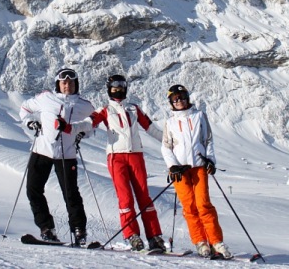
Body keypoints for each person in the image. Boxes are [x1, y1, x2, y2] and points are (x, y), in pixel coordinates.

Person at [55, 74, 167, 252]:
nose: (118, 91)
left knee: (144, 197)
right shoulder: (105, 110)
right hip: (116, 157)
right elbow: (87, 124)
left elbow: (152, 129)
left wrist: (173, 141)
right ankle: (132, 235)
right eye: (114, 88)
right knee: (125, 198)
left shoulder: (134, 109)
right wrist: (68, 127)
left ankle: (154, 236)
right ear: (109, 90)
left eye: (121, 88)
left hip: (136, 155)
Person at [19, 67, 95, 245]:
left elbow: (93, 124)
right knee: (33, 189)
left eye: (71, 82)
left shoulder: (85, 106)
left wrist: (83, 134)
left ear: (76, 84)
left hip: (66, 154)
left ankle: (79, 230)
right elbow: (24, 108)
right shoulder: (46, 98)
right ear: (58, 84)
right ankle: (47, 229)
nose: (67, 85)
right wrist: (30, 122)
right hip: (42, 150)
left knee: (70, 194)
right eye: (64, 82)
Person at [160, 84, 232, 259]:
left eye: (182, 97)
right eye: (175, 99)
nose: (179, 101)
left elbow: (208, 140)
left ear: (187, 98)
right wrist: (172, 165)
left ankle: (216, 242)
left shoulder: (199, 116)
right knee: (189, 207)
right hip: (180, 171)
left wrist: (210, 160)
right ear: (171, 102)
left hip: (199, 166)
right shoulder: (170, 122)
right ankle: (200, 242)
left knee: (203, 204)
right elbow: (166, 146)